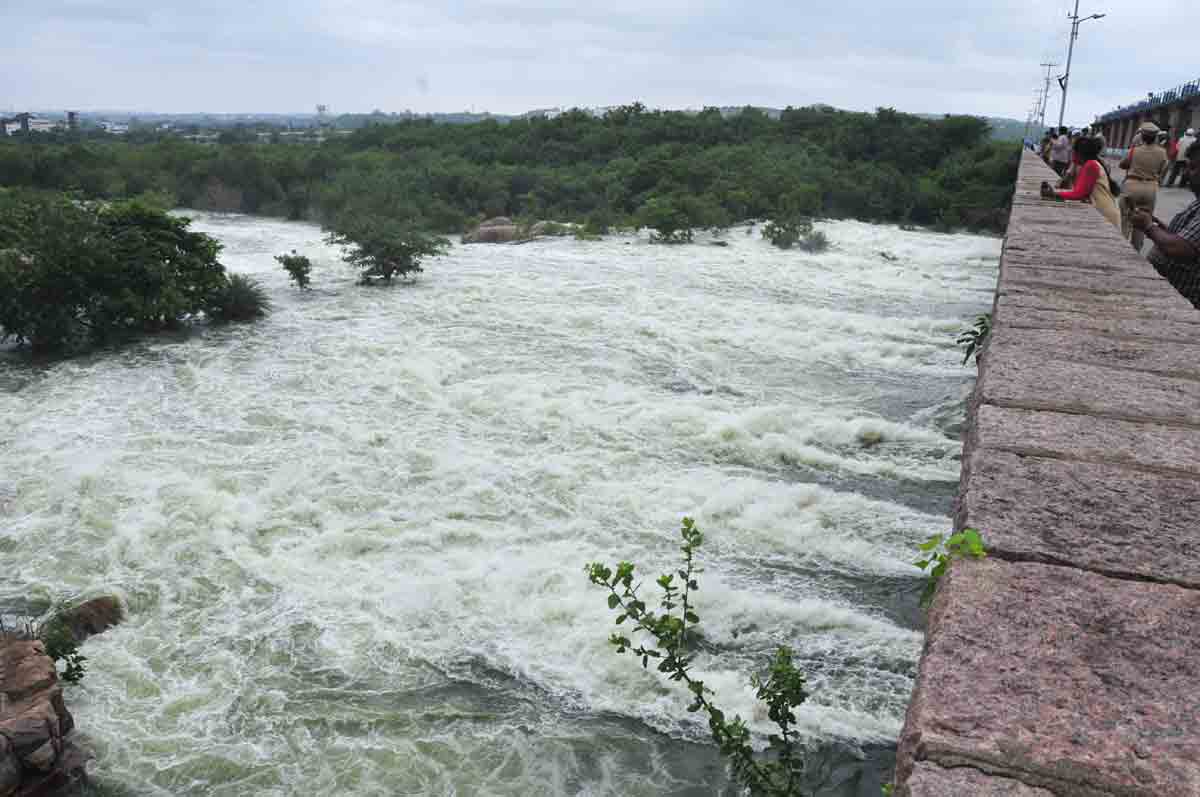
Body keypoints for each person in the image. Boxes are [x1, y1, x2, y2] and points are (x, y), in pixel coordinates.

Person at [1132, 140, 1200, 308]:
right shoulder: (1197, 202)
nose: (1186, 174)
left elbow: (1181, 248)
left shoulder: (1136, 151)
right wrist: (1161, 229)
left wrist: (1149, 227)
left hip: (1180, 300)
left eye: (1193, 168)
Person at [1040, 135, 1120, 229]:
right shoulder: (1091, 164)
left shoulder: (1091, 165)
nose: (1071, 153)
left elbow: (1078, 194)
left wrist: (1054, 194)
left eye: (1073, 151)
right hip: (1104, 212)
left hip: (1105, 214)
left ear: (1080, 153)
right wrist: (1055, 192)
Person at [1118, 122, 1168, 251]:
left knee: (1125, 219)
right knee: (1143, 222)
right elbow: (1164, 168)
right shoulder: (1162, 152)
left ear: (1142, 136)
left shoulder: (1135, 150)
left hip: (1132, 186)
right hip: (1150, 189)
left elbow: (1122, 164)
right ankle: (1135, 251)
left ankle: (1121, 247)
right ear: (1156, 137)